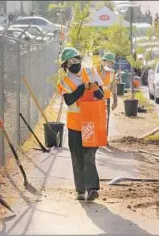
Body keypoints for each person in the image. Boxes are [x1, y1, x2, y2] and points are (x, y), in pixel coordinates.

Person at [57, 47, 105, 201]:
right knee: (77, 156)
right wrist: (81, 88)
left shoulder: (91, 73)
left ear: (80, 59)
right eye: (70, 62)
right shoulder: (64, 81)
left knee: (89, 155)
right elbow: (69, 100)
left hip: (90, 123)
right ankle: (80, 190)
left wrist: (96, 89)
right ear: (66, 65)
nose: (74, 63)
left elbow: (101, 94)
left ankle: (92, 189)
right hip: (75, 125)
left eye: (76, 60)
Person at [93, 52, 118, 142]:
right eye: (109, 62)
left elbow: (114, 86)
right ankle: (97, 137)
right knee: (96, 118)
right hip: (96, 98)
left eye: (112, 63)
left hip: (106, 98)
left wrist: (115, 100)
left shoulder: (112, 73)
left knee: (106, 119)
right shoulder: (96, 70)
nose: (110, 64)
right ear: (103, 61)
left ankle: (104, 139)